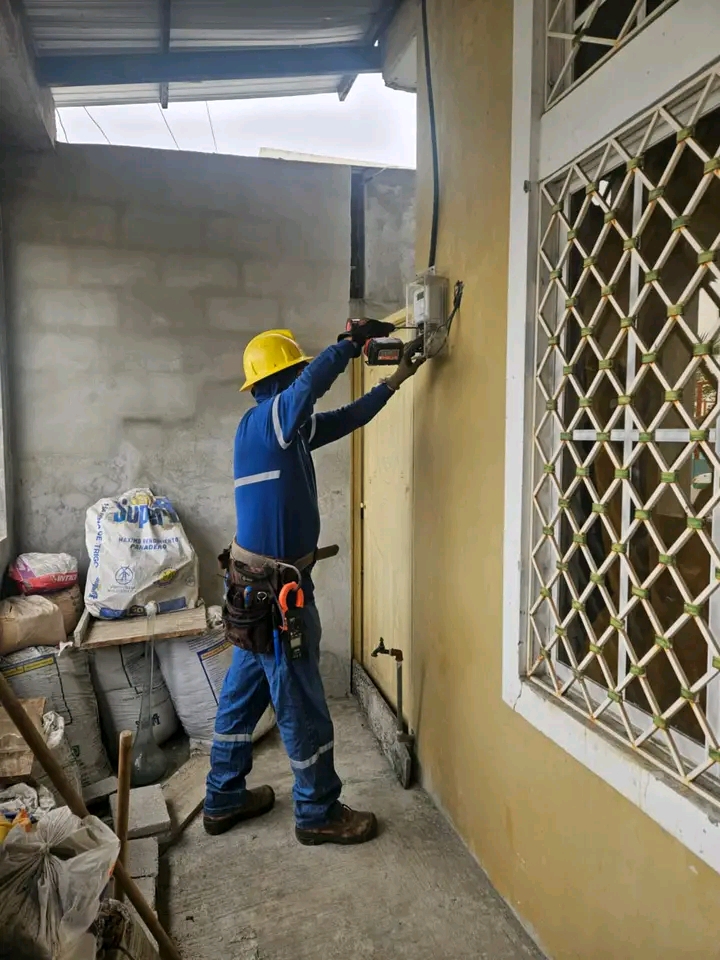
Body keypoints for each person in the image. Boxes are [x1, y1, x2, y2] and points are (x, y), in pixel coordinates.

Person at [204, 324, 424, 845]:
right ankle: (318, 810)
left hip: (253, 591)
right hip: (278, 598)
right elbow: (311, 388)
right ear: (280, 380)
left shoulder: (288, 432)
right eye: (296, 370)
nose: (302, 377)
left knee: (241, 698)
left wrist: (395, 380)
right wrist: (348, 345)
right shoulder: (267, 422)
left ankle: (222, 797)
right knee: (302, 705)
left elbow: (348, 418)